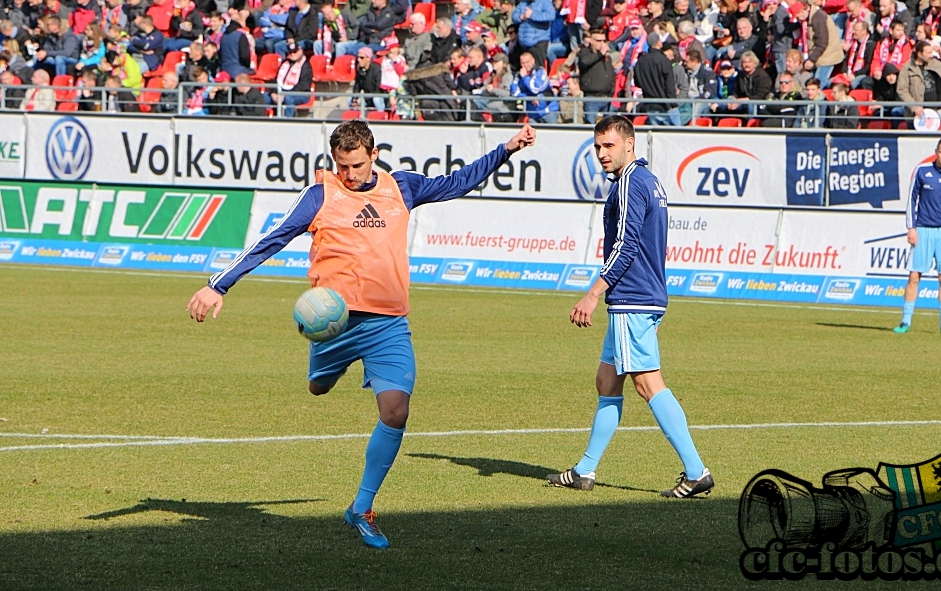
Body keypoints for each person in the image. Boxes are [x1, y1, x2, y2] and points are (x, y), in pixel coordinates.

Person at [187, 120, 537, 548]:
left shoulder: (401, 187)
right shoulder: (321, 194)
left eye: (355, 165)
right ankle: (326, 369)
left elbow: (458, 182)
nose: (348, 174)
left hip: (387, 323)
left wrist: (507, 148)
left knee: (396, 411)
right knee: (317, 389)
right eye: (340, 165)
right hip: (333, 323)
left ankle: (361, 508)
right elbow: (272, 238)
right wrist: (218, 284)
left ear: (373, 154)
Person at [546, 115, 712, 499]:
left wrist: (593, 293)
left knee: (648, 383)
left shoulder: (629, 185)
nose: (602, 154)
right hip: (643, 293)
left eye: (609, 146)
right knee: (607, 381)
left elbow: (626, 246)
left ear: (629, 144)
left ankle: (696, 471)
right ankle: (585, 470)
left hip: (633, 296)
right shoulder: (648, 181)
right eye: (598, 146)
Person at [893, 136, 941, 335]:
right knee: (914, 276)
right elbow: (911, 201)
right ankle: (905, 321)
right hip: (923, 229)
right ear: (936, 151)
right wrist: (911, 227)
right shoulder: (922, 171)